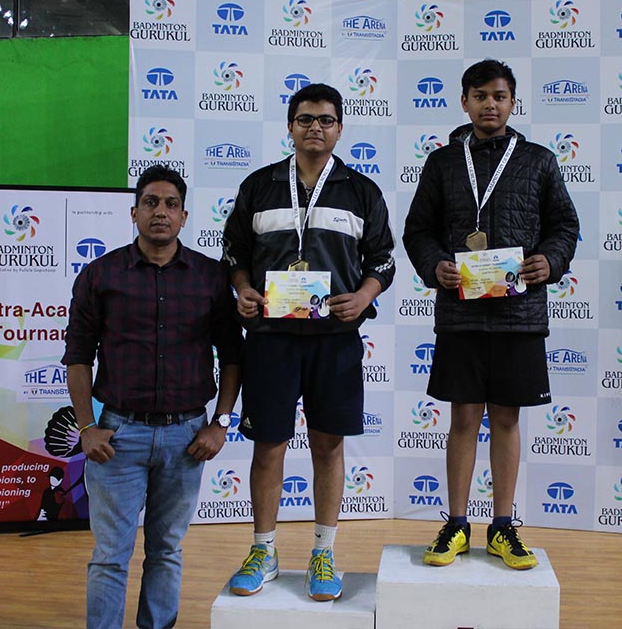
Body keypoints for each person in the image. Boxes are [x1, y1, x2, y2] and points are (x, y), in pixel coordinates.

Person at [402, 59, 579, 571]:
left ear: (513, 102)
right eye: (479, 96)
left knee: (506, 418)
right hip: (461, 313)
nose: (490, 105)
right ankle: (456, 524)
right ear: (464, 102)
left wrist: (551, 260)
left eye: (499, 96)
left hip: (519, 313)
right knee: (463, 417)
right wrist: (435, 265)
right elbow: (418, 230)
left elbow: (565, 226)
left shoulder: (539, 161)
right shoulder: (442, 163)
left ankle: (503, 526)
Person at [222, 83, 395, 601]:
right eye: (305, 119)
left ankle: (324, 553)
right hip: (271, 338)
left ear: (339, 128)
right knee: (268, 445)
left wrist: (363, 296)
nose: (314, 127)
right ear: (290, 127)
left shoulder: (361, 190)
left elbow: (384, 260)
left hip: (334, 339)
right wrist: (243, 289)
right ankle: (264, 550)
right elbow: (234, 253)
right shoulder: (259, 185)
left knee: (328, 445)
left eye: (325, 120)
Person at [62, 165, 243, 629]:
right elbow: (78, 357)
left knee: (166, 549)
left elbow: (234, 356)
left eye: (170, 204)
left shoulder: (210, 277)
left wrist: (220, 423)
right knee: (110, 554)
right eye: (150, 203)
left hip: (188, 438)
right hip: (117, 437)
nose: (160, 212)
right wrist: (86, 427)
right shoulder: (101, 275)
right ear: (134, 213)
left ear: (184, 217)